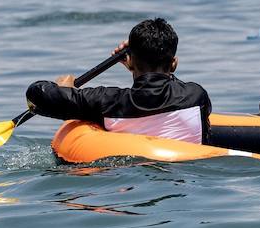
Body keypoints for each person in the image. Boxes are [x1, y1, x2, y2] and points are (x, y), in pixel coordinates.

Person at [25, 18, 211, 143]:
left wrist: (64, 90)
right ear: (174, 64)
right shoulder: (196, 96)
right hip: (185, 183)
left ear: (130, 61)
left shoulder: (108, 101)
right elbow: (171, 92)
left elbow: (37, 93)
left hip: (127, 183)